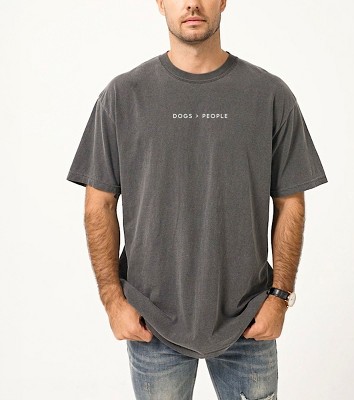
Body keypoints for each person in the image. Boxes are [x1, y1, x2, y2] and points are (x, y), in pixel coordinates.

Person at [66, 1, 328, 398]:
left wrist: (279, 297)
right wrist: (113, 301)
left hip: (248, 318)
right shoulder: (123, 96)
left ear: (222, 2)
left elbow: (291, 201)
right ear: (161, 4)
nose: (192, 4)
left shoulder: (269, 94)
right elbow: (98, 204)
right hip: (151, 322)